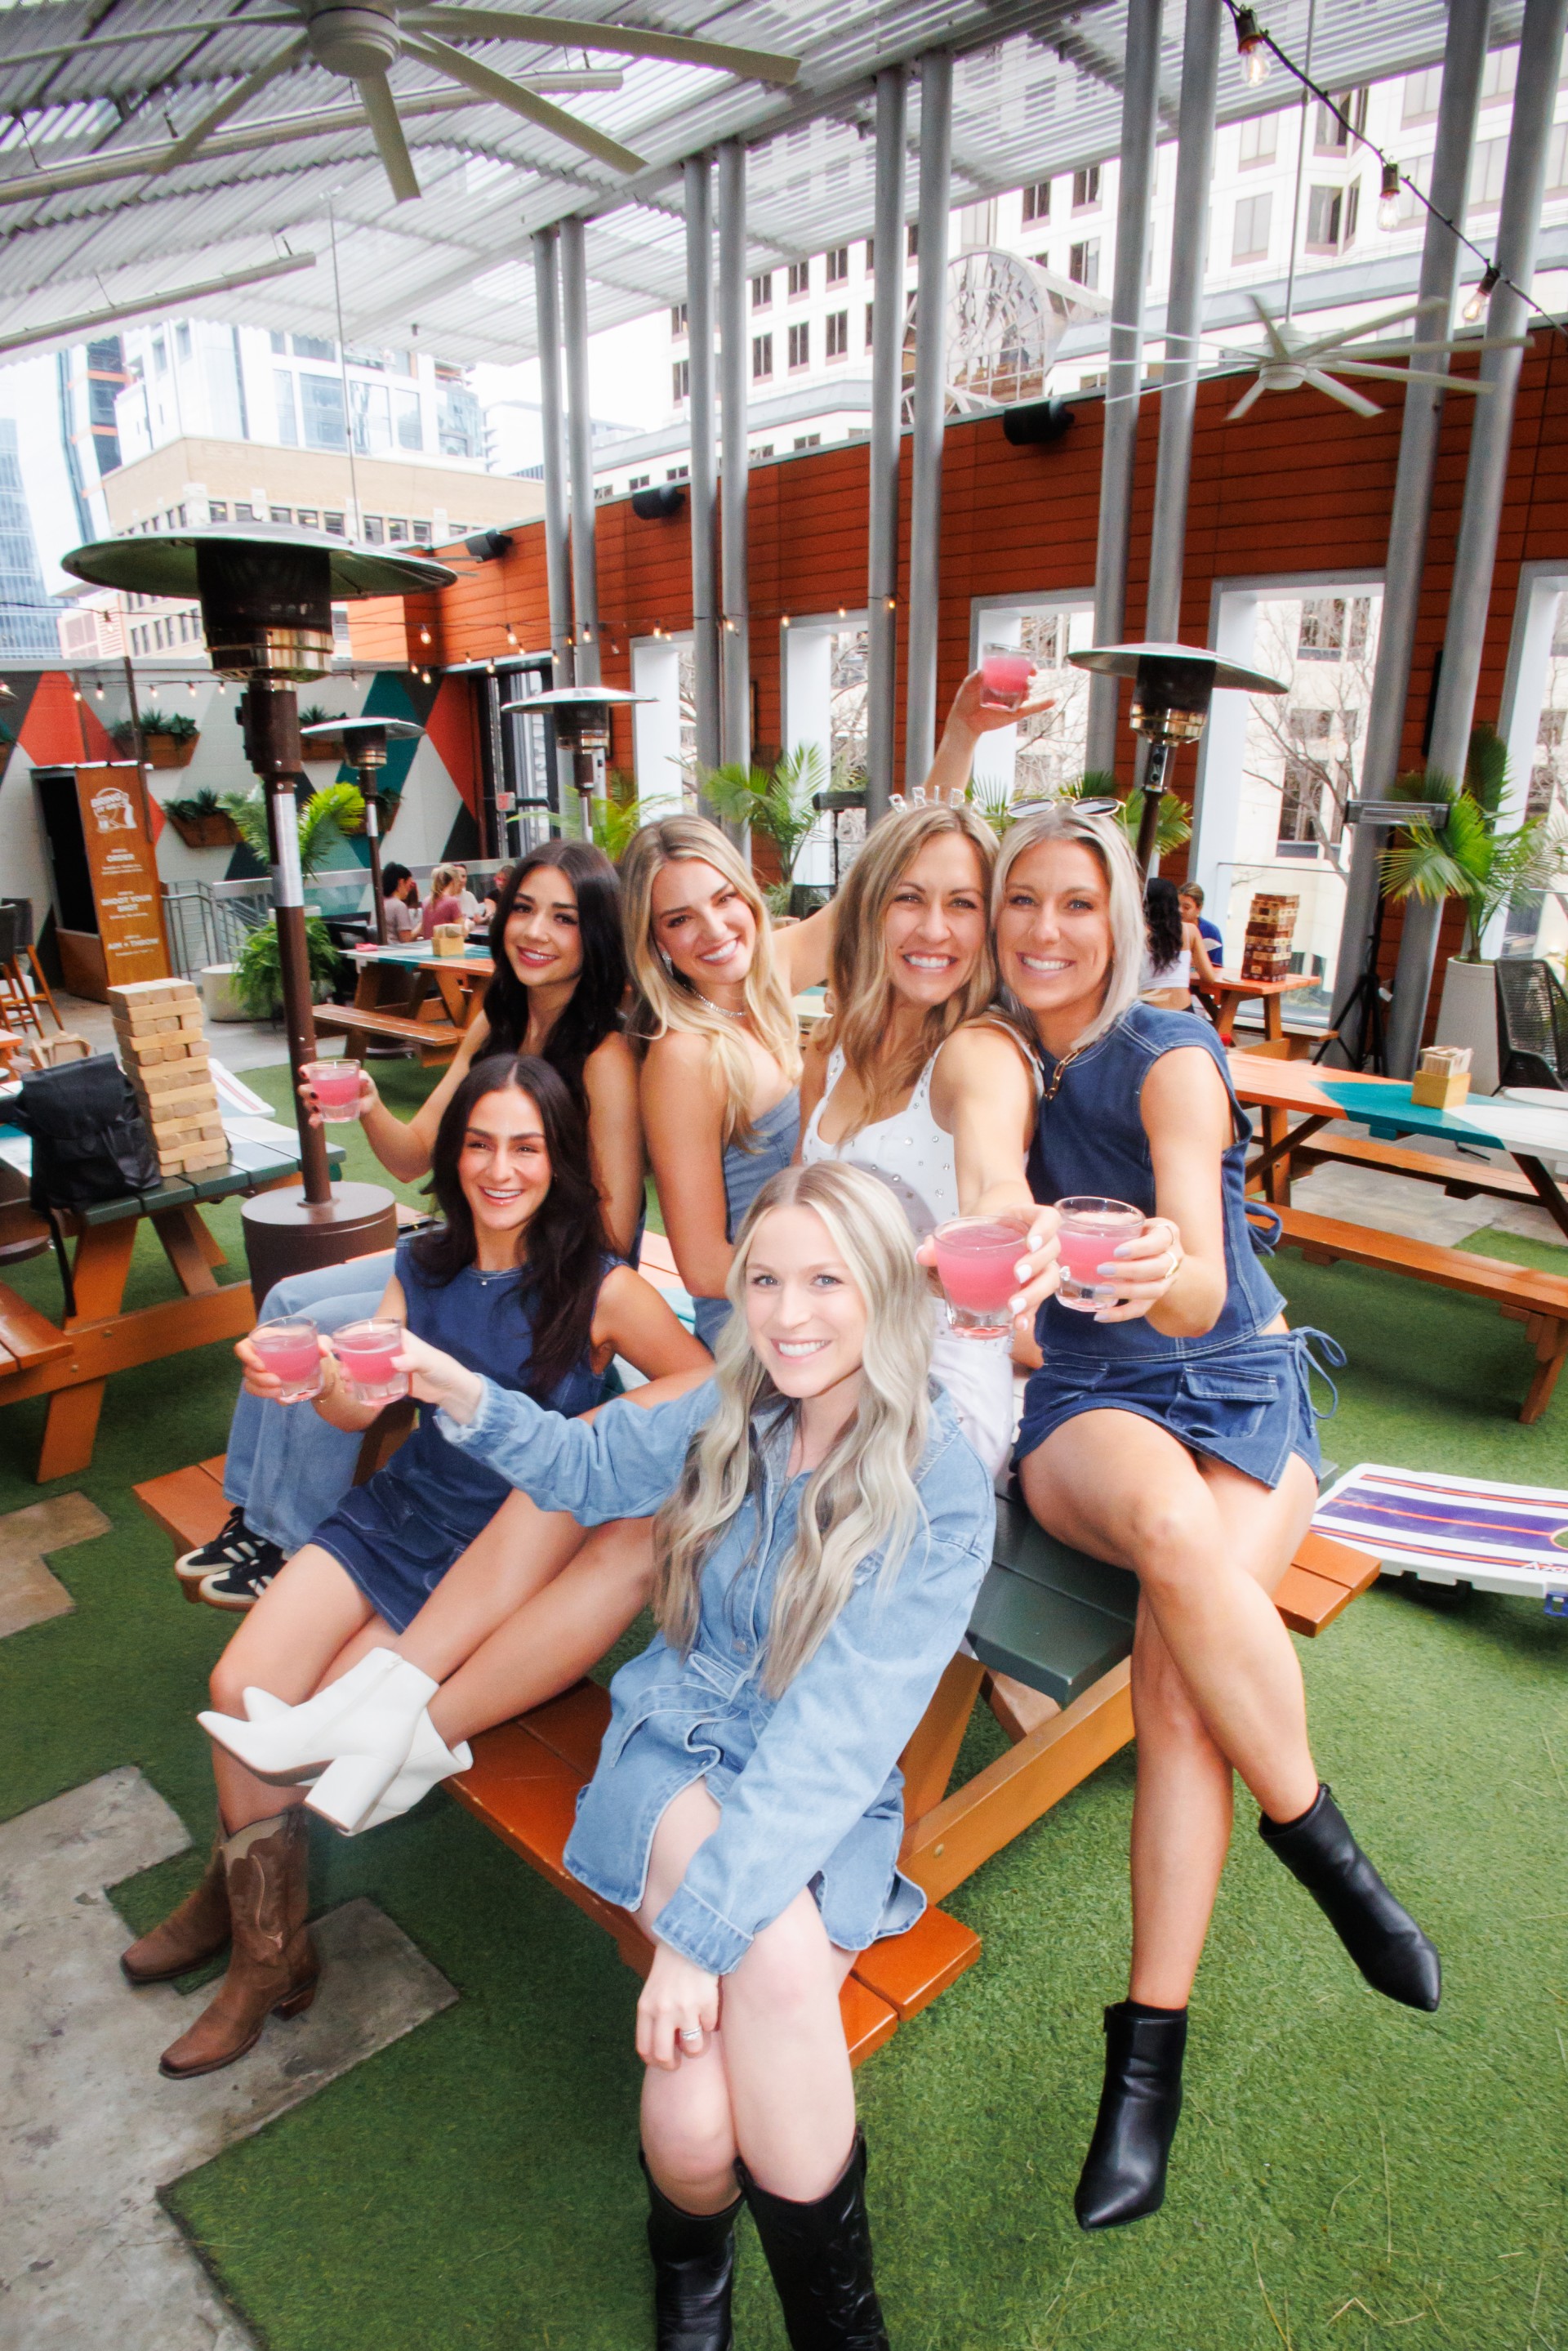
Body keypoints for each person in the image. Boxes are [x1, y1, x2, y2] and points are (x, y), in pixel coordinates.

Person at [377, 1162, 996, 2350]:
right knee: (776, 1959)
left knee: (703, 2123)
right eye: (764, 1280)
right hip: (680, 1743)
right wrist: (456, 1388)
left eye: (826, 1281)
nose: (788, 1314)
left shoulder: (939, 1486)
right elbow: (582, 1469)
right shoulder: (731, 1404)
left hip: (818, 1790)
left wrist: (691, 1943)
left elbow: (834, 1743)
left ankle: (696, 2271)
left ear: (886, 1288)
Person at [978, 802, 1439, 2231]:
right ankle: (1327, 1846)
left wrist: (1159, 1259)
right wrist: (1021, 1242)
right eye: (1022, 899)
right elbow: (991, 1182)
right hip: (1089, 1403)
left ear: (1122, 920)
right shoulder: (992, 1049)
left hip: (1238, 1377)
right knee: (1176, 1543)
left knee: (1178, 1690)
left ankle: (1146, 2064)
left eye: (1078, 901)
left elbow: (1196, 1285)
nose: (1048, 928)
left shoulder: (1172, 1049)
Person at [125, 1053, 706, 2081]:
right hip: (395, 1513)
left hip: (490, 1559)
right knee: (240, 1684)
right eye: (479, 1144)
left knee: (305, 1724)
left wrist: (594, 1430)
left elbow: (698, 1379)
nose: (500, 1168)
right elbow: (363, 1404)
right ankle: (254, 1922)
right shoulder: (423, 1264)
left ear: (560, 1161)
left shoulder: (601, 1286)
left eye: (526, 1147)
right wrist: (307, 1386)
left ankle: (257, 1956)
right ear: (454, 1156)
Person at [180, 841, 644, 1605]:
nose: (536, 931)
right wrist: (367, 1104)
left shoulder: (604, 1054)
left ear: (595, 933)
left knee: (335, 1335)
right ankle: (254, 1514)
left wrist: (501, 1245)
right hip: (465, 1248)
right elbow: (409, 1157)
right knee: (288, 1300)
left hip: (535, 1280)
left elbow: (616, 1232)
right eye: (525, 909)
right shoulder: (497, 1020)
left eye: (564, 918)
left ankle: (288, 1537)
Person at [799, 799, 1057, 1480]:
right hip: (820, 1355)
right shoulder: (831, 1047)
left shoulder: (979, 1051)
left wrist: (1006, 1224)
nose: (934, 929)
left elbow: (995, 1179)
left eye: (963, 904)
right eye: (908, 898)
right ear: (869, 909)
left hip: (934, 1384)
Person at [624, 814, 835, 1350]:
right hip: (760, 1332)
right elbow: (701, 1268)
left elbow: (877, 882)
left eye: (724, 899)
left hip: (819, 1304)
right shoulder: (685, 1057)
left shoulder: (766, 981)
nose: (715, 930)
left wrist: (957, 756)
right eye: (680, 919)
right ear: (655, 941)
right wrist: (850, 1282)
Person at [1141, 875, 1222, 1012]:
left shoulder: (1137, 934)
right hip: (1184, 1010)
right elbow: (1209, 977)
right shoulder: (1191, 931)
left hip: (1149, 1010)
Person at [1178, 881, 1225, 970]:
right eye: (1177, 905)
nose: (1180, 910)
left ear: (1199, 908)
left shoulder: (1211, 932)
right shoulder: (1168, 927)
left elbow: (1216, 968)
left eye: (1186, 907)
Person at [421, 863, 465, 939]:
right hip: (446, 946)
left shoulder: (426, 901)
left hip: (429, 945)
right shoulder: (453, 902)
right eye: (458, 883)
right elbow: (462, 933)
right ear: (453, 881)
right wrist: (468, 924)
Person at [381, 862, 421, 943]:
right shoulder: (399, 906)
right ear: (401, 882)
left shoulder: (379, 905)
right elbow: (406, 939)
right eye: (409, 885)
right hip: (396, 948)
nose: (409, 890)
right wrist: (421, 925)